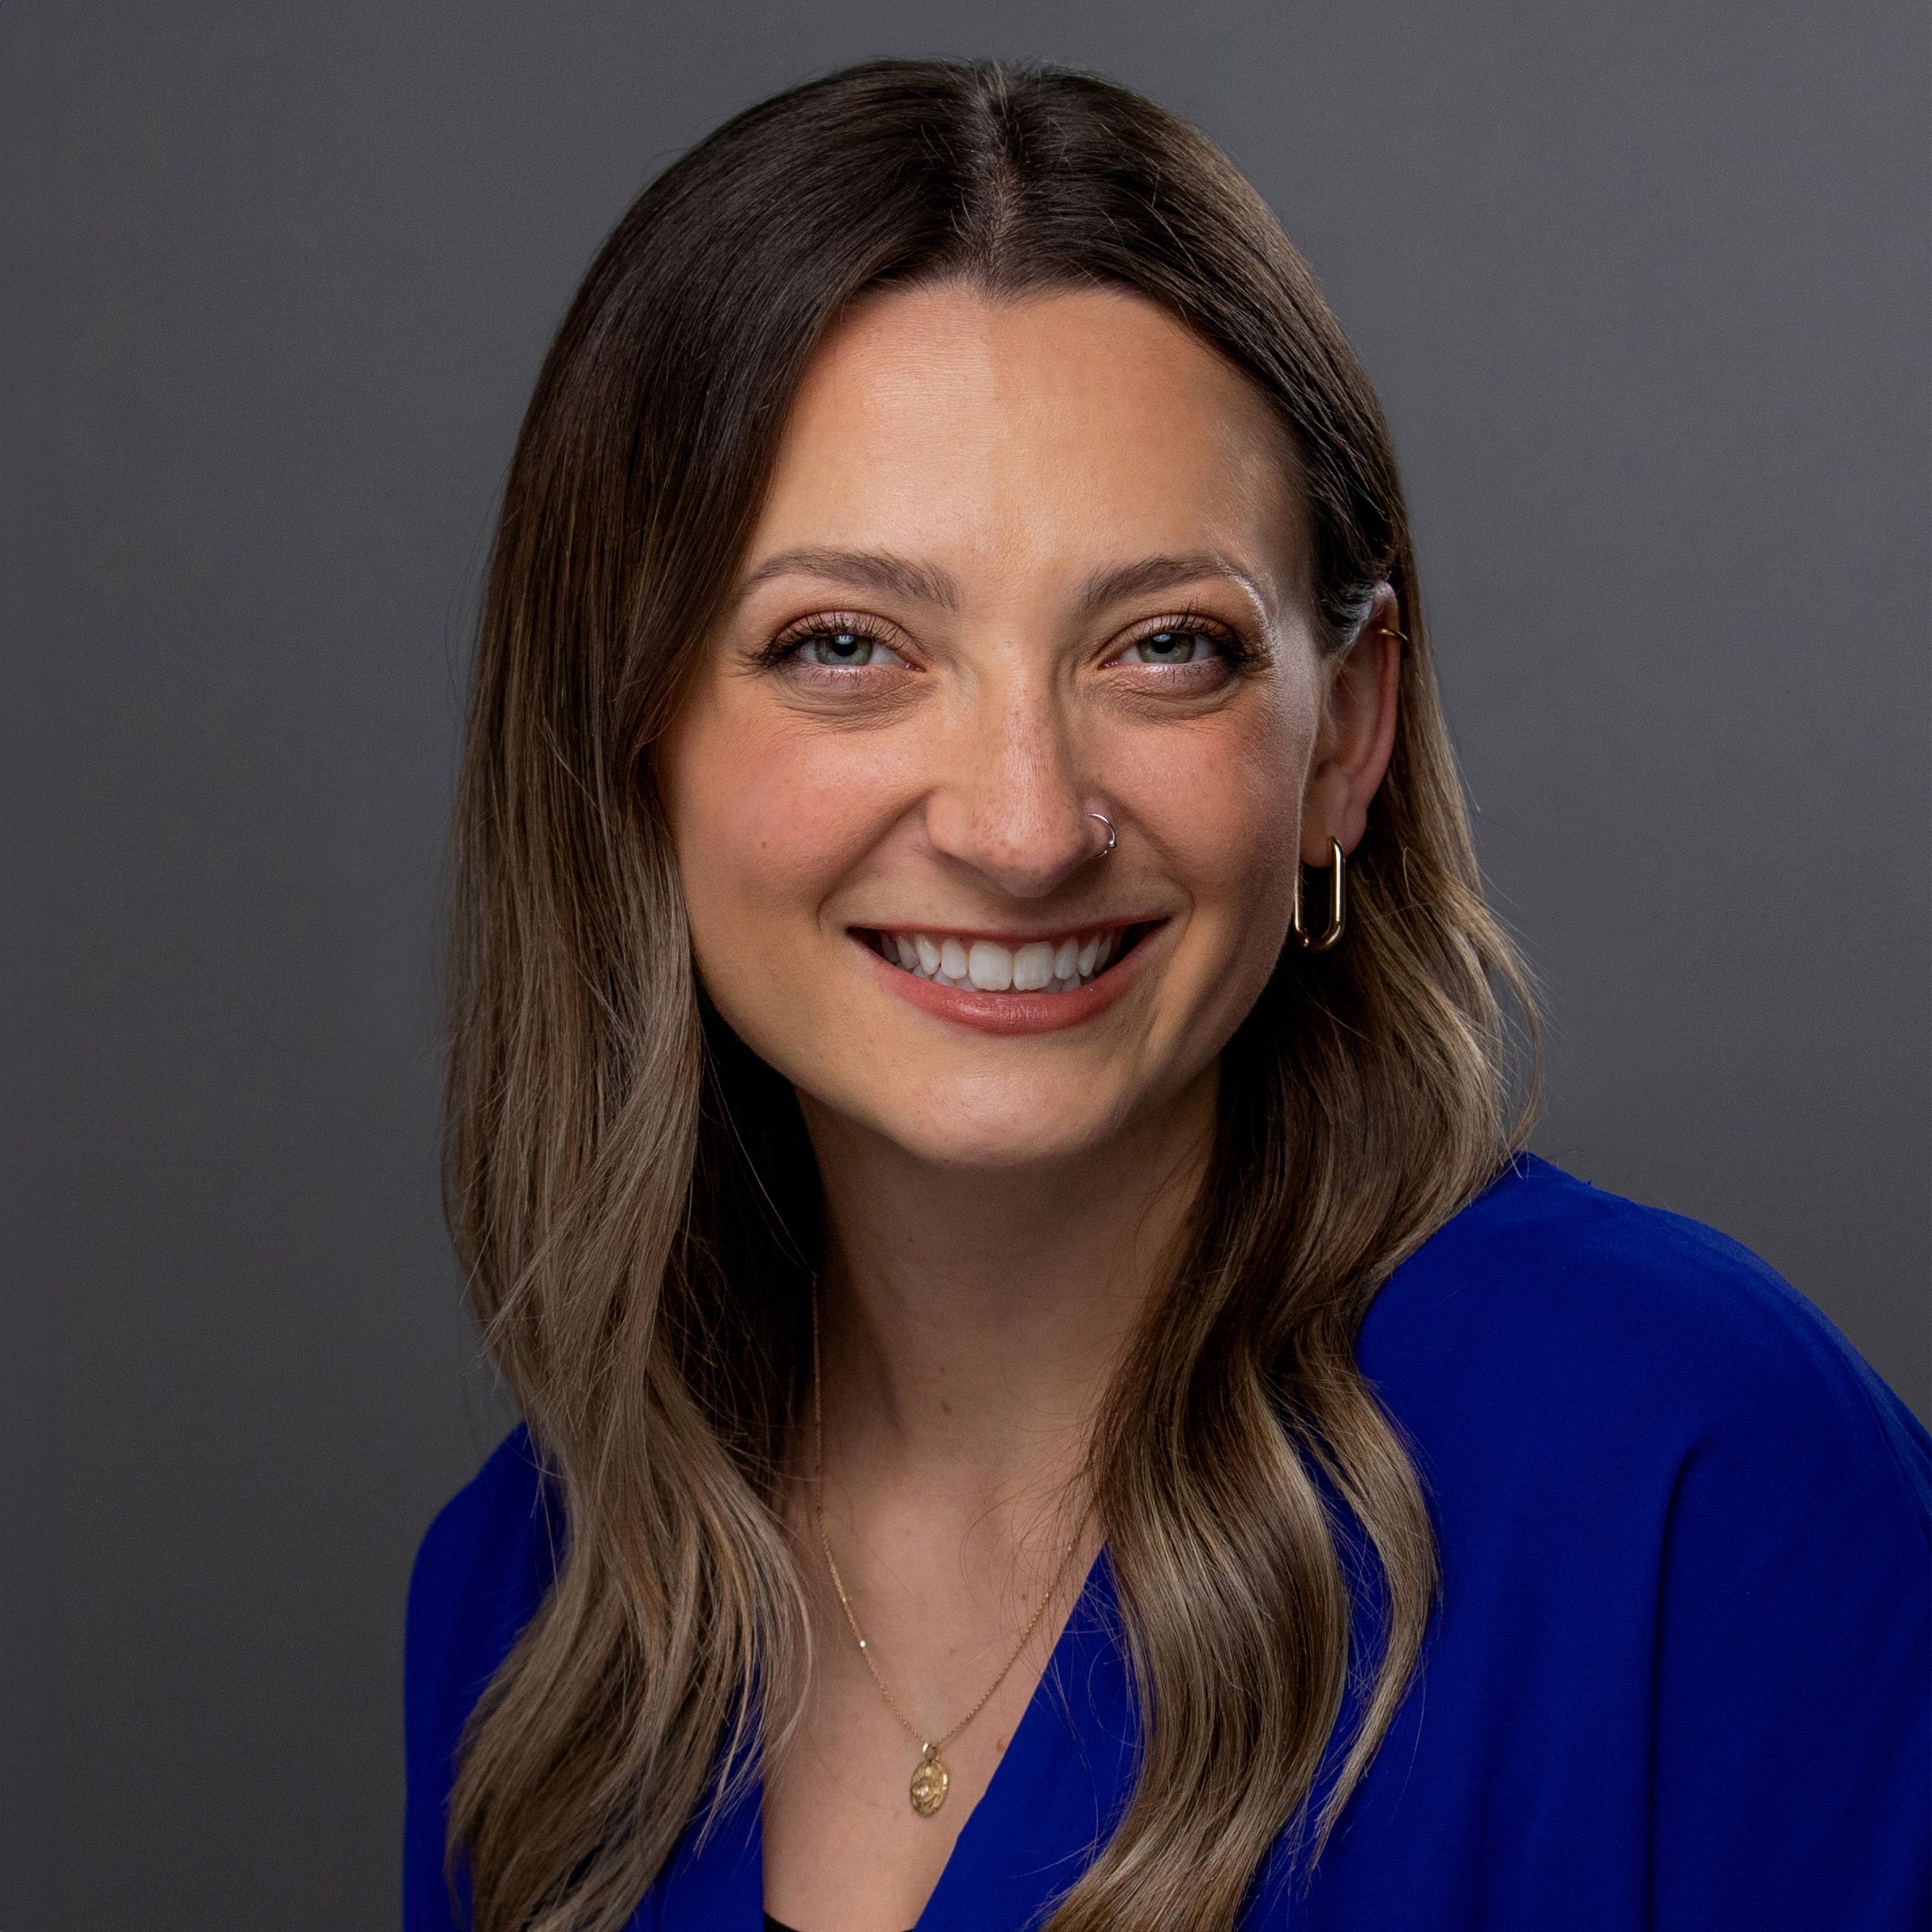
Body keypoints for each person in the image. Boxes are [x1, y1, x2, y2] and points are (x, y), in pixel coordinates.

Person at [403, 58, 1930, 1932]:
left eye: (1166, 648)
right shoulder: (525, 1610)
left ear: (1341, 740)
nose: (1024, 823)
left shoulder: (1688, 1480)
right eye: (845, 646)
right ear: (624, 740)